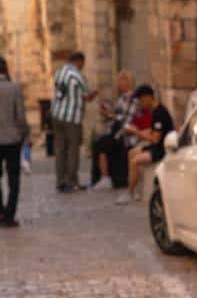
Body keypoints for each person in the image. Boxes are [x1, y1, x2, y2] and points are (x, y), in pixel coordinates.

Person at [116, 84, 173, 204]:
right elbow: (153, 131)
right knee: (132, 153)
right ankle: (137, 187)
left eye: (141, 101)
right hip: (157, 145)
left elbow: (155, 139)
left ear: (148, 98)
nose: (141, 105)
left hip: (161, 149)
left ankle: (130, 193)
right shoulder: (155, 111)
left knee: (135, 161)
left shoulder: (159, 113)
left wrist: (136, 132)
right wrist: (139, 131)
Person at [51, 51, 97, 192]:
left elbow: (62, 92)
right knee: (72, 150)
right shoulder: (77, 75)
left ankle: (60, 181)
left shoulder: (60, 72)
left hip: (57, 115)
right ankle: (72, 181)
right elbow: (87, 95)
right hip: (72, 117)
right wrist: (94, 94)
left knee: (60, 150)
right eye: (82, 63)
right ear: (78, 61)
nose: (82, 66)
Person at [91, 70, 136, 190]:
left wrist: (111, 116)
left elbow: (127, 120)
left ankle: (105, 178)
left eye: (120, 81)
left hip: (126, 135)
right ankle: (101, 178)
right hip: (117, 133)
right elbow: (115, 117)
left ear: (127, 82)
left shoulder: (132, 99)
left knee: (102, 144)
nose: (118, 84)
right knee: (98, 143)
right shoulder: (121, 99)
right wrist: (107, 114)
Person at [0, 56, 28, 228]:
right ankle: (10, 215)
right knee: (14, 178)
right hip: (12, 140)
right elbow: (21, 117)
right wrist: (25, 134)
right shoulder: (15, 88)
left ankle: (0, 212)